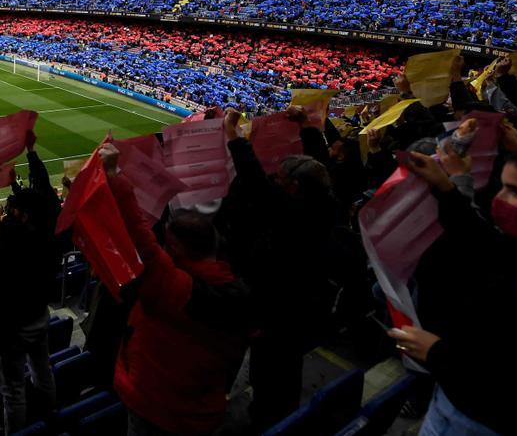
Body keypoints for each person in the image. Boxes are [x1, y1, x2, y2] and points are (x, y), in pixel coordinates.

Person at [394, 144, 517, 435]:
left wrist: (436, 353)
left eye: (516, 192)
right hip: (456, 401)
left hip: (479, 421)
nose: (499, 198)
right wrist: (446, 187)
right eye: (502, 186)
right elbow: (486, 247)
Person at [100, 143, 251, 436]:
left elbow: (141, 239)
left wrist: (114, 178)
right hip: (202, 411)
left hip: (157, 407)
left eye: (169, 245)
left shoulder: (177, 290)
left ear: (179, 249)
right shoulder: (238, 290)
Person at [215, 108, 339, 431]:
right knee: (288, 367)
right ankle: (281, 413)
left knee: (270, 371)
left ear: (295, 186)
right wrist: (308, 127)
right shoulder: (325, 204)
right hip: (304, 307)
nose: (275, 179)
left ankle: (269, 421)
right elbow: (319, 161)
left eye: (281, 179)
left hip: (276, 310)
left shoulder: (289, 214)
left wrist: (232, 133)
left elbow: (254, 179)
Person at [0, 130, 61, 432]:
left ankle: (18, 430)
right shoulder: (48, 229)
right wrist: (31, 156)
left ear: (20, 216)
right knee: (42, 369)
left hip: (14, 326)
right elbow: (46, 196)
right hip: (40, 314)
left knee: (13, 388)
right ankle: (50, 417)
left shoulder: (10, 239)